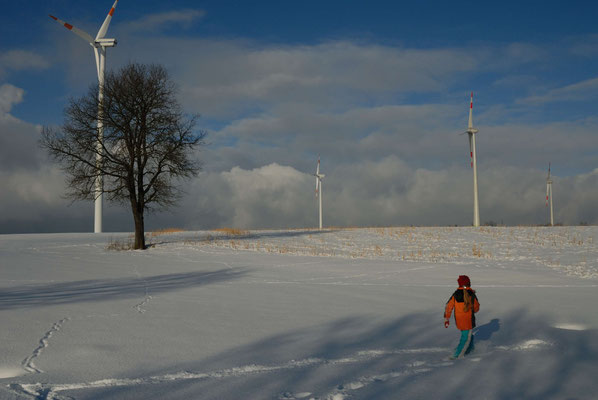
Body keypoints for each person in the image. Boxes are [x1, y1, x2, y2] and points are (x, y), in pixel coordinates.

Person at [444, 275, 480, 359]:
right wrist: (473, 310)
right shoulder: (471, 294)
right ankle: (457, 355)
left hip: (459, 321)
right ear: (468, 283)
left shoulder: (455, 294)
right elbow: (476, 307)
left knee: (468, 335)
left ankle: (470, 349)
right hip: (468, 321)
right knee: (465, 338)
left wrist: (446, 318)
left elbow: (448, 306)